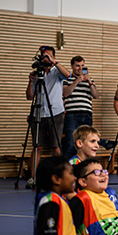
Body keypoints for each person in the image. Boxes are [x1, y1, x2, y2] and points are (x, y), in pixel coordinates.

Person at [25, 45, 70, 178]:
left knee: (55, 146)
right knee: (37, 147)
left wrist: (53, 62)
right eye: (44, 56)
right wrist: (30, 82)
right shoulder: (37, 73)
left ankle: (59, 175)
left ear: (54, 57)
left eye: (49, 56)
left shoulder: (57, 71)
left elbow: (68, 74)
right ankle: (33, 177)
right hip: (38, 112)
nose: (46, 58)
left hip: (55, 112)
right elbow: (29, 96)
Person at [61, 56, 100, 158]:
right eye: (77, 66)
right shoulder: (67, 79)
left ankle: (82, 169)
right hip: (72, 115)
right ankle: (68, 170)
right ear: (72, 66)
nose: (80, 68)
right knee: (70, 143)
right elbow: (65, 93)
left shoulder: (89, 80)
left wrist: (90, 83)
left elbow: (96, 96)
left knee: (86, 144)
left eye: (82, 66)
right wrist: (77, 81)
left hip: (87, 114)